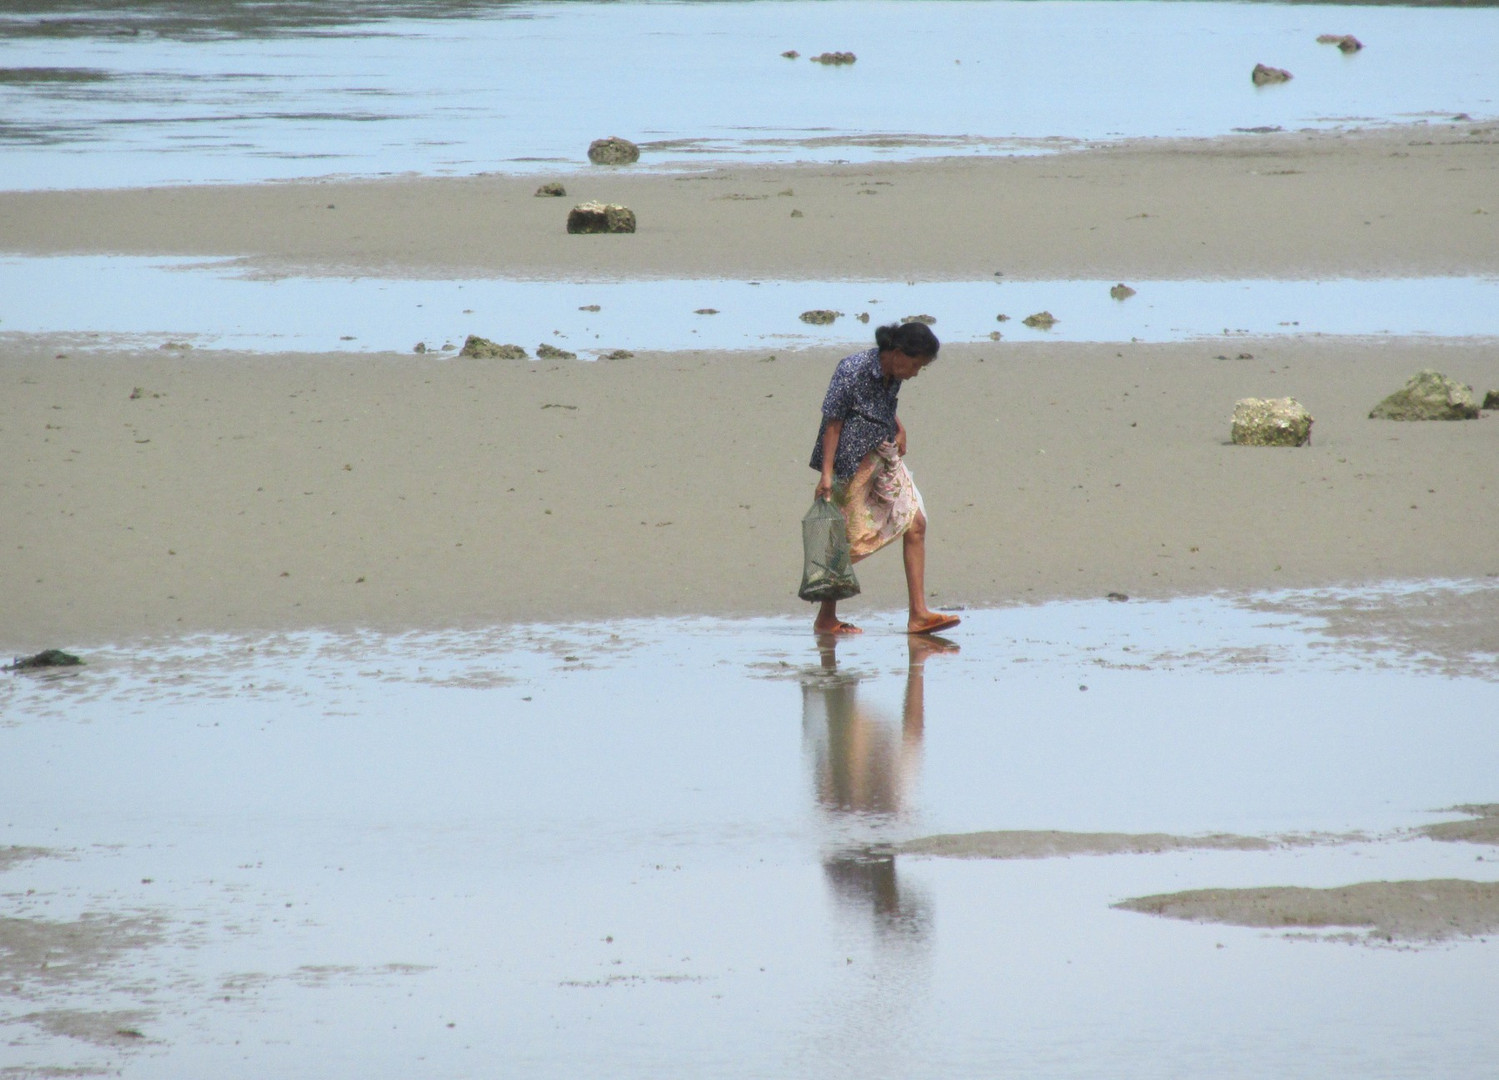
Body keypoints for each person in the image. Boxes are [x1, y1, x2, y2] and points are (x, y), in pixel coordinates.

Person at [809, 321, 960, 635]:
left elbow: (880, 404)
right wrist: (825, 475)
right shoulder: (852, 369)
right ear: (898, 353)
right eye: (916, 365)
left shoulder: (893, 372)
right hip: (849, 463)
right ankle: (826, 618)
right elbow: (833, 421)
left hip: (883, 454)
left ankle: (918, 614)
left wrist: (898, 424)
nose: (916, 372)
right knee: (845, 542)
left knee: (915, 522)